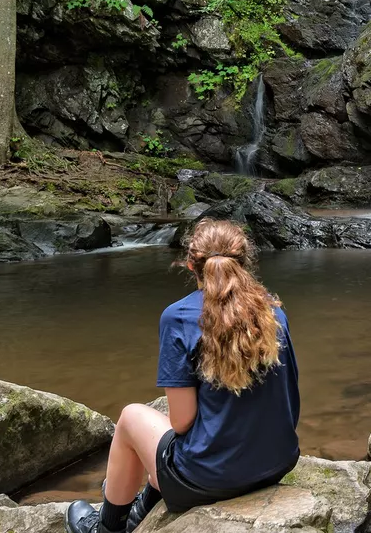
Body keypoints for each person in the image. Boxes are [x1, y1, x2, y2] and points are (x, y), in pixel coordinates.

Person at [66, 219, 300, 533]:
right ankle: (142, 511)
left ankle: (107, 528)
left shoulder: (178, 317)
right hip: (278, 462)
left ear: (191, 264)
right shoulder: (274, 311)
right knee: (178, 436)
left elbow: (182, 422)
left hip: (210, 480)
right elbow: (289, 399)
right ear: (246, 262)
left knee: (132, 418)